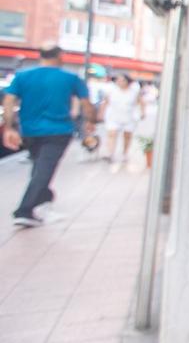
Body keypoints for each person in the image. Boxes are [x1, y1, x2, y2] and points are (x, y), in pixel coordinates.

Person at [2, 44, 95, 227]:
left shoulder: (23, 76)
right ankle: (25, 210)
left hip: (30, 130)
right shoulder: (70, 78)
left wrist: (9, 127)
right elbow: (85, 103)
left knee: (40, 168)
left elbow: (9, 100)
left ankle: (44, 201)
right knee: (44, 169)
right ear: (60, 56)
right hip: (58, 130)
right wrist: (89, 121)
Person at [99, 73, 142, 163]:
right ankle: (110, 153)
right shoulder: (112, 90)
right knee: (112, 133)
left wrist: (142, 112)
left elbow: (141, 102)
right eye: (118, 80)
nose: (119, 82)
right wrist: (101, 113)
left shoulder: (134, 92)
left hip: (128, 116)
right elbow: (105, 102)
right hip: (114, 116)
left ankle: (125, 153)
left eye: (122, 80)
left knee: (127, 135)